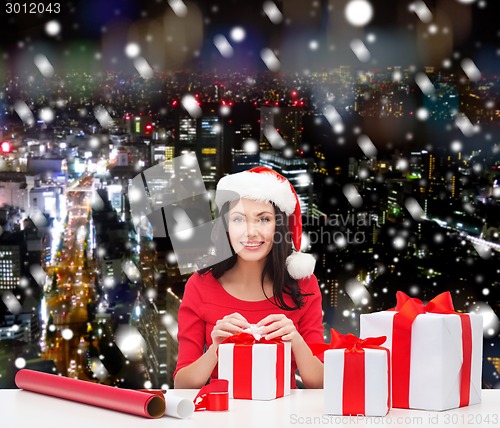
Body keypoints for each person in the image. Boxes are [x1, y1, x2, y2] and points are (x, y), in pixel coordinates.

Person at [173, 166, 324, 389]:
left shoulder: (304, 283)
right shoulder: (200, 285)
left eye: (263, 220)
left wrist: (295, 340)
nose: (251, 232)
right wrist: (217, 348)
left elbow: (320, 384)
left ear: (278, 226)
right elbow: (182, 385)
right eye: (238, 220)